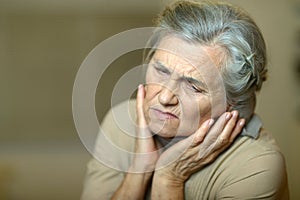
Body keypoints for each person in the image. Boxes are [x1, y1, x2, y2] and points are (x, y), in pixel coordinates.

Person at [81, 1, 289, 199]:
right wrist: (140, 170)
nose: (164, 97)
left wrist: (169, 178)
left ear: (231, 102)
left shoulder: (255, 164)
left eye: (193, 86)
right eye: (161, 70)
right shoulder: (121, 122)